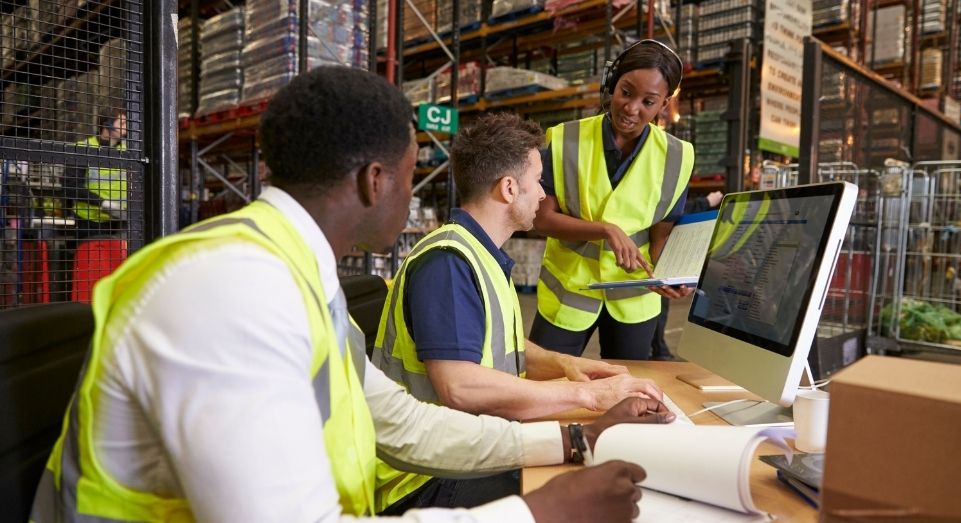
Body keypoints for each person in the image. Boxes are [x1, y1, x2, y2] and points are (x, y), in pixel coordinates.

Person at [31, 66, 674, 523]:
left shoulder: (300, 274)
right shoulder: (229, 290)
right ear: (375, 181)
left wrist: (573, 442)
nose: (416, 191)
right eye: (409, 171)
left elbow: (401, 423)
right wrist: (535, 512)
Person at [371, 113, 666, 513]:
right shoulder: (448, 263)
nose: (543, 195)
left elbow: (499, 345)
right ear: (509, 188)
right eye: (537, 181)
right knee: (612, 485)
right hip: (426, 479)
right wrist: (588, 396)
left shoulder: (478, 254)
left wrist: (565, 364)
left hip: (466, 452)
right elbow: (460, 387)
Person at [531, 40, 696, 360]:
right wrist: (605, 230)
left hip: (634, 298)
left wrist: (671, 275)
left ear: (663, 105)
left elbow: (660, 236)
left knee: (628, 395)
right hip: (569, 291)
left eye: (648, 101)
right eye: (626, 92)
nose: (632, 108)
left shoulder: (678, 157)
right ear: (612, 85)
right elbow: (541, 219)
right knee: (541, 380)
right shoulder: (564, 138)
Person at [650, 190, 724, 360]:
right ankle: (659, 350)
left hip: (659, 260)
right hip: (653, 262)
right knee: (659, 304)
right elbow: (675, 210)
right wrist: (705, 202)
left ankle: (659, 349)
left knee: (660, 305)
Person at [64, 109, 128, 239]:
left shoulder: (128, 151)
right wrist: (103, 203)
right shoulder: (83, 148)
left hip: (120, 221)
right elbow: (70, 186)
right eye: (122, 123)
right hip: (90, 222)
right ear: (107, 125)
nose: (126, 127)